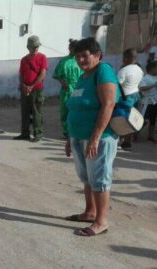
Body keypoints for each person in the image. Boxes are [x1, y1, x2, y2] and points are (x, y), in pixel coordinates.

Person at [65, 37, 120, 237]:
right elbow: (75, 107)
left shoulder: (103, 71)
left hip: (99, 137)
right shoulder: (84, 76)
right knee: (87, 178)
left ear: (97, 55)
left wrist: (96, 137)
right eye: (77, 56)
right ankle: (89, 212)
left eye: (84, 55)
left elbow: (108, 104)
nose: (80, 60)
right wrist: (70, 137)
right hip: (79, 136)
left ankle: (101, 221)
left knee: (99, 179)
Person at [15, 35, 48, 142]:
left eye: (37, 47)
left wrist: (31, 86)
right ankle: (25, 133)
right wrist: (23, 85)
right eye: (33, 47)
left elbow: (43, 74)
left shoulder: (42, 57)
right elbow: (21, 74)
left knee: (36, 112)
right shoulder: (24, 60)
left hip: (37, 90)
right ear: (28, 47)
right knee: (24, 112)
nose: (35, 49)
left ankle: (38, 133)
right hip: (24, 90)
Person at [53, 39, 83, 139]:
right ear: (69, 48)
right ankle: (66, 132)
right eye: (71, 48)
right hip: (66, 89)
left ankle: (75, 131)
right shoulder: (63, 61)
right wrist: (62, 82)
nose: (73, 50)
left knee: (76, 110)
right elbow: (56, 74)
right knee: (65, 110)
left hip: (78, 88)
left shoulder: (80, 61)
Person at [117, 48, 144, 150]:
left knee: (121, 119)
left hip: (125, 97)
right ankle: (127, 143)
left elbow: (117, 85)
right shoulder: (140, 70)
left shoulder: (124, 70)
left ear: (127, 58)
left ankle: (119, 141)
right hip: (136, 95)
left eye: (123, 58)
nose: (122, 60)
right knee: (131, 119)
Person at [139, 60, 157, 142]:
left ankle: (151, 136)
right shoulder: (146, 78)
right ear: (152, 69)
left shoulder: (156, 77)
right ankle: (135, 134)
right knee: (143, 120)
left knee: (153, 120)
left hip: (155, 101)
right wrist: (153, 85)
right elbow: (141, 88)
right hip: (147, 102)